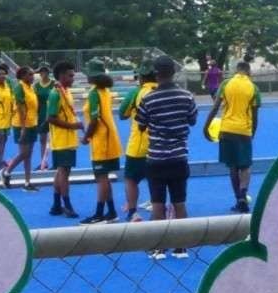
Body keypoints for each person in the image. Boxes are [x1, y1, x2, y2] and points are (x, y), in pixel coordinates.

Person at [136, 55, 199, 258]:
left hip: (156, 158)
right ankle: (181, 246)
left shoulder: (148, 98)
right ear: (174, 72)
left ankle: (158, 246)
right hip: (179, 157)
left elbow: (141, 124)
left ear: (156, 73)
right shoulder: (187, 96)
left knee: (158, 204)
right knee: (179, 203)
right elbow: (192, 120)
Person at [205, 59, 260, 213]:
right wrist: (252, 133)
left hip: (226, 129)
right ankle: (243, 194)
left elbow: (215, 108)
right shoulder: (253, 88)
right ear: (248, 71)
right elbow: (255, 116)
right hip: (244, 131)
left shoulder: (225, 84)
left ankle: (238, 199)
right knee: (246, 165)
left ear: (237, 70)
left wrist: (206, 127)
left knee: (233, 166)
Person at [80, 59, 121, 224]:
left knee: (101, 177)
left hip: (101, 139)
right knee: (104, 177)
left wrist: (86, 137)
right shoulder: (105, 91)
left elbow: (95, 119)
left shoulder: (94, 93)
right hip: (109, 137)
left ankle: (98, 214)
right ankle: (111, 211)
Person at [119, 62, 158, 221]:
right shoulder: (164, 90)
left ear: (141, 77)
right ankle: (157, 207)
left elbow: (122, 114)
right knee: (156, 179)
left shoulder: (137, 92)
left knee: (130, 179)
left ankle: (132, 211)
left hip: (139, 146)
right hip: (160, 145)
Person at [45, 60, 84, 218]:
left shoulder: (65, 91)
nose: (73, 78)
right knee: (64, 173)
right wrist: (73, 126)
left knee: (62, 172)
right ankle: (67, 205)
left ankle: (56, 204)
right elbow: (50, 118)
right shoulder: (56, 94)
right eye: (70, 75)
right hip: (61, 140)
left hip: (67, 139)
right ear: (61, 76)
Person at [1, 66, 40, 191]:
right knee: (24, 153)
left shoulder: (30, 88)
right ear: (22, 76)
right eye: (29, 74)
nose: (32, 77)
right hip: (21, 125)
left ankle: (27, 182)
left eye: (32, 74)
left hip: (32, 123)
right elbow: (22, 110)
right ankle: (6, 172)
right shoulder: (19, 88)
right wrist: (23, 128)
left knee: (29, 155)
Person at [33, 63, 54, 172]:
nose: (43, 73)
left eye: (45, 71)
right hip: (41, 113)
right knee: (42, 139)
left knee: (55, 138)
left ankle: (56, 162)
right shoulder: (36, 86)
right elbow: (35, 101)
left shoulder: (53, 84)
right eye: (42, 71)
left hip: (53, 113)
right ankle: (43, 162)